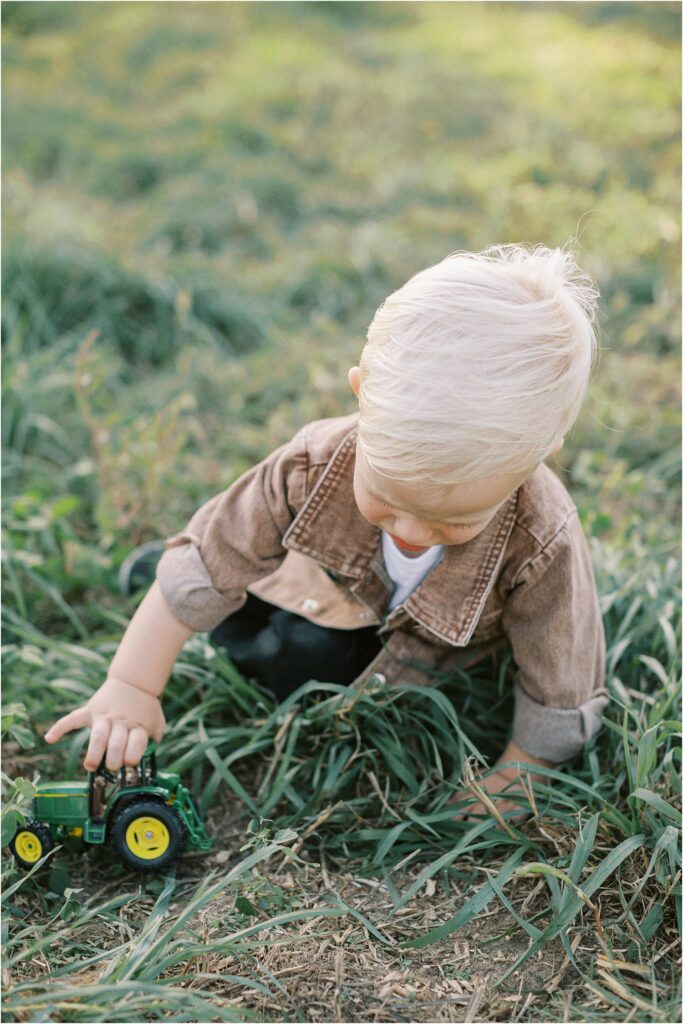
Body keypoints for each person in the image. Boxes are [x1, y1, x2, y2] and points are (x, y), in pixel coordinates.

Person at [45, 243, 608, 818]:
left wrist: (519, 773)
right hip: (326, 584)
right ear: (363, 395)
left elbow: (562, 673)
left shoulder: (543, 536)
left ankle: (216, 615)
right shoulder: (314, 462)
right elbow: (219, 549)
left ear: (543, 454)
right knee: (203, 581)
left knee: (308, 661)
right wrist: (133, 685)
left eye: (456, 520)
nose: (413, 531)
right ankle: (168, 587)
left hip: (405, 646)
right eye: (387, 498)